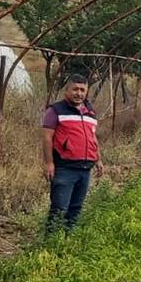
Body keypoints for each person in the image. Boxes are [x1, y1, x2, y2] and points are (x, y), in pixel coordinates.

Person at [41, 74, 104, 233]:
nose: (79, 93)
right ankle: (50, 243)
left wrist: (98, 159)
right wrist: (49, 163)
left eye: (83, 90)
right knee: (59, 208)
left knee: (76, 208)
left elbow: (92, 137)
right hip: (64, 168)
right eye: (75, 89)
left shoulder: (90, 112)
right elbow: (47, 138)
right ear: (66, 91)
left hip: (85, 169)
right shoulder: (56, 110)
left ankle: (68, 239)